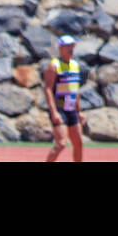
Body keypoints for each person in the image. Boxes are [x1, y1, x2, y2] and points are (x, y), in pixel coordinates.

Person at [43, 34, 85, 162]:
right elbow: (48, 89)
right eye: (67, 47)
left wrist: (79, 111)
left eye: (72, 46)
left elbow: (75, 89)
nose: (70, 49)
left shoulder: (75, 65)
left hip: (71, 108)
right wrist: (53, 111)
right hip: (59, 108)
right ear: (60, 48)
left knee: (78, 143)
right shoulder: (54, 66)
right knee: (61, 143)